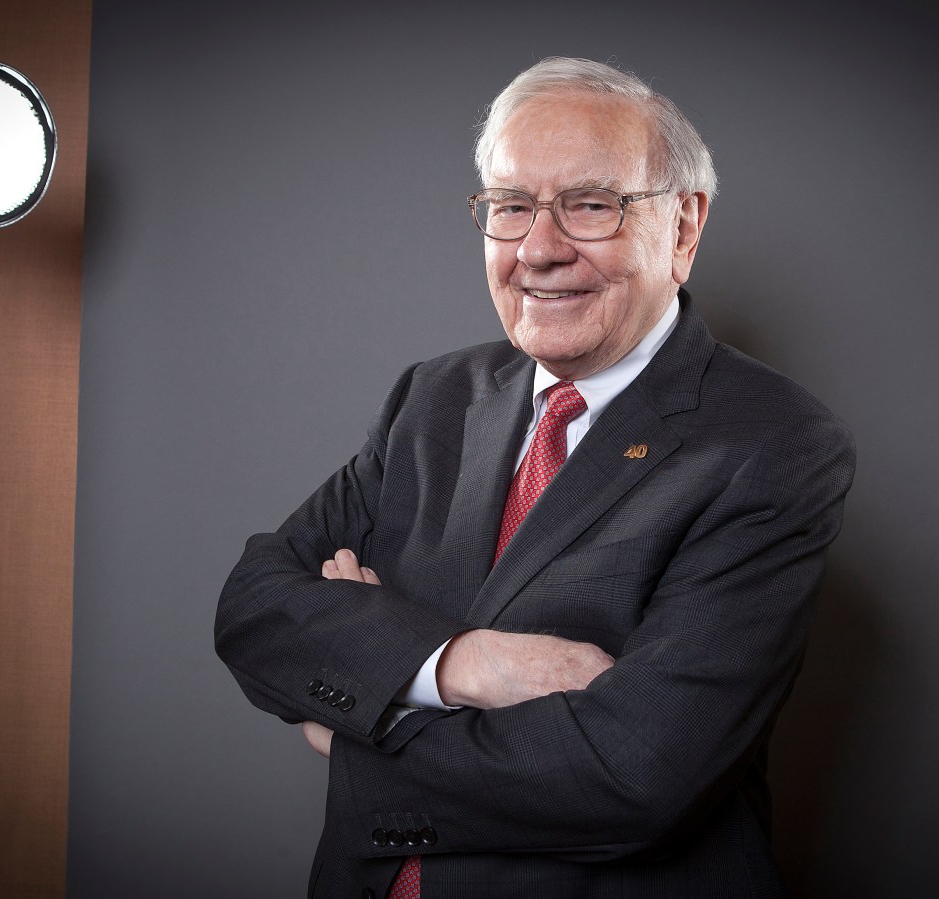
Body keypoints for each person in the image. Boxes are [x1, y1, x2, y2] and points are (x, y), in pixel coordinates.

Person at [216, 56, 855, 898]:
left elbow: (630, 774)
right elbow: (255, 608)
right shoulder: (432, 398)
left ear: (685, 227)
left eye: (591, 205)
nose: (539, 250)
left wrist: (362, 726)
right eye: (511, 207)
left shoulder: (773, 445)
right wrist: (460, 665)